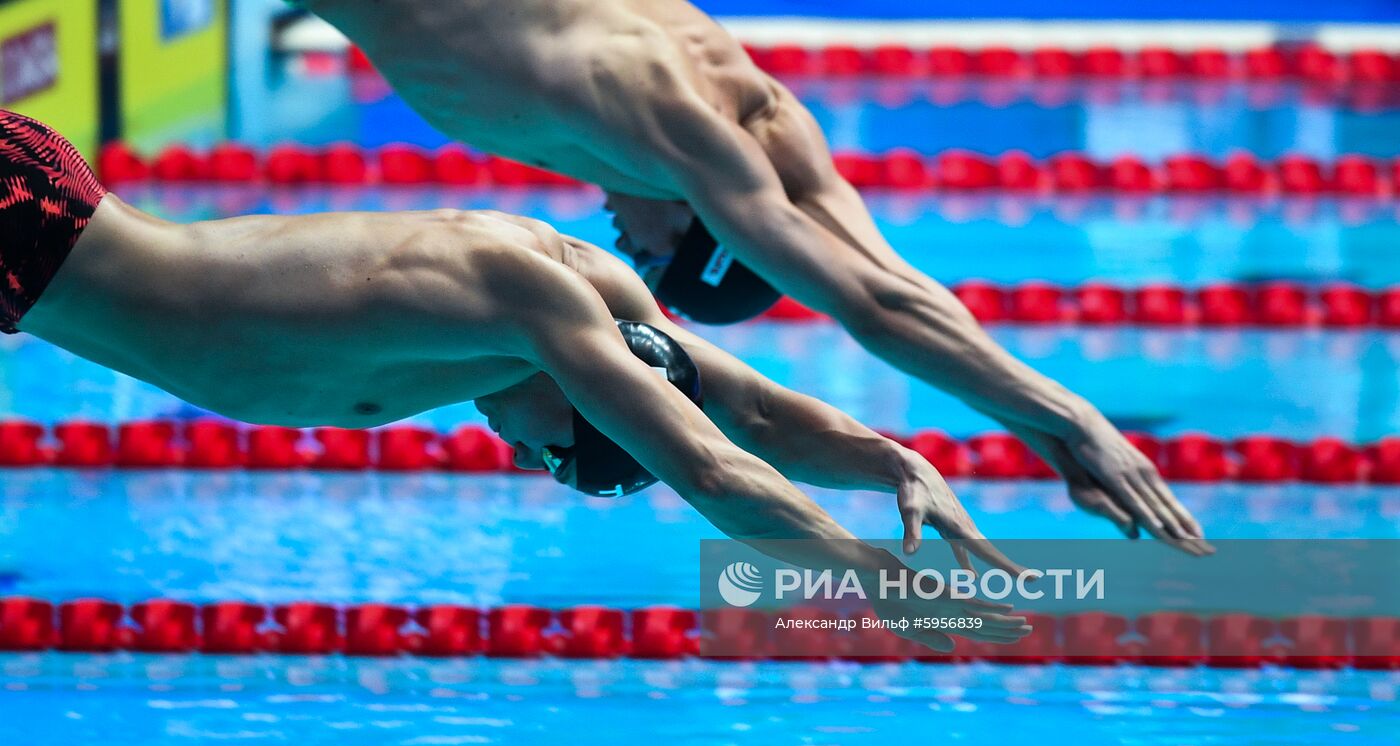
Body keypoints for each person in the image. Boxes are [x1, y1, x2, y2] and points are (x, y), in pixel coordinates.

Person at [2, 108, 1029, 652]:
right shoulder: (539, 304)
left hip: (39, 246)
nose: (521, 452)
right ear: (590, 397)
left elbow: (748, 406)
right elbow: (712, 467)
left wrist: (890, 457)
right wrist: (873, 577)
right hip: (27, 230)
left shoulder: (601, 296)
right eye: (552, 448)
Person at [293, 0, 1212, 556]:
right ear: (710, 220)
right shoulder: (670, 117)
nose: (627, 248)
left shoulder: (756, 106)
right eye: (658, 259)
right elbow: (872, 303)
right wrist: (1075, 417)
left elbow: (893, 275)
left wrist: (1039, 427)